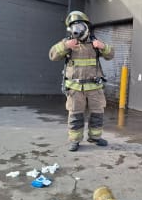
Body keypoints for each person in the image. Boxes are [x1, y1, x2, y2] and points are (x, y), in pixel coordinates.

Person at [48, 11, 114, 151]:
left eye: (79, 26)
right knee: (75, 115)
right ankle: (75, 140)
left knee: (97, 113)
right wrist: (66, 46)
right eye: (74, 27)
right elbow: (52, 55)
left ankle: (95, 137)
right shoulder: (68, 43)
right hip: (75, 89)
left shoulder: (95, 42)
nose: (77, 30)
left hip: (94, 88)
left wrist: (103, 47)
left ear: (86, 27)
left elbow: (111, 55)